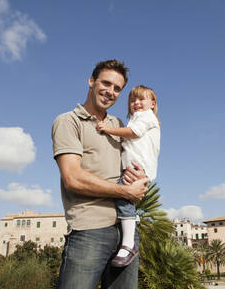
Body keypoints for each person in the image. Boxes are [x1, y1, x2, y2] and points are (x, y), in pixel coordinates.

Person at [52, 60, 149, 289]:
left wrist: (140, 178)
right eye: (106, 83)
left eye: (117, 88)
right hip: (89, 231)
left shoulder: (117, 124)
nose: (110, 92)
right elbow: (72, 177)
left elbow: (134, 160)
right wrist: (125, 191)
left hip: (127, 233)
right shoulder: (68, 121)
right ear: (91, 81)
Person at [96, 85, 160, 267]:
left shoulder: (146, 117)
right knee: (125, 202)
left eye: (142, 99)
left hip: (136, 167)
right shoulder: (136, 118)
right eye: (133, 100)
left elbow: (132, 133)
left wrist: (107, 130)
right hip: (135, 167)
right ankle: (126, 239)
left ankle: (128, 243)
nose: (136, 103)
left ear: (152, 103)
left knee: (124, 200)